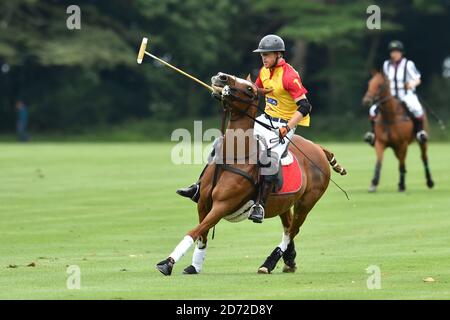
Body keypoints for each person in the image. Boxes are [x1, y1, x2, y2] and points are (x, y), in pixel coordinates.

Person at [176, 35, 313, 224]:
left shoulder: (290, 76)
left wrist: (287, 127)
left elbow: (305, 106)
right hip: (265, 119)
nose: (264, 58)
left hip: (284, 124)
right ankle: (199, 187)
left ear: (279, 54)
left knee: (270, 157)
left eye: (267, 54)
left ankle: (260, 205)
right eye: (262, 55)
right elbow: (251, 94)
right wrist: (224, 94)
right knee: (222, 142)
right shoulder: (264, 72)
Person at [364, 40, 427, 146]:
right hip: (391, 96)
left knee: (417, 108)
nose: (394, 54)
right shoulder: (386, 65)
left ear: (401, 53)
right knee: (373, 110)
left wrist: (412, 83)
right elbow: (384, 80)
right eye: (392, 52)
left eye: (396, 52)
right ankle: (373, 133)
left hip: (406, 94)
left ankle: (420, 132)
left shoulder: (408, 64)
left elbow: (418, 78)